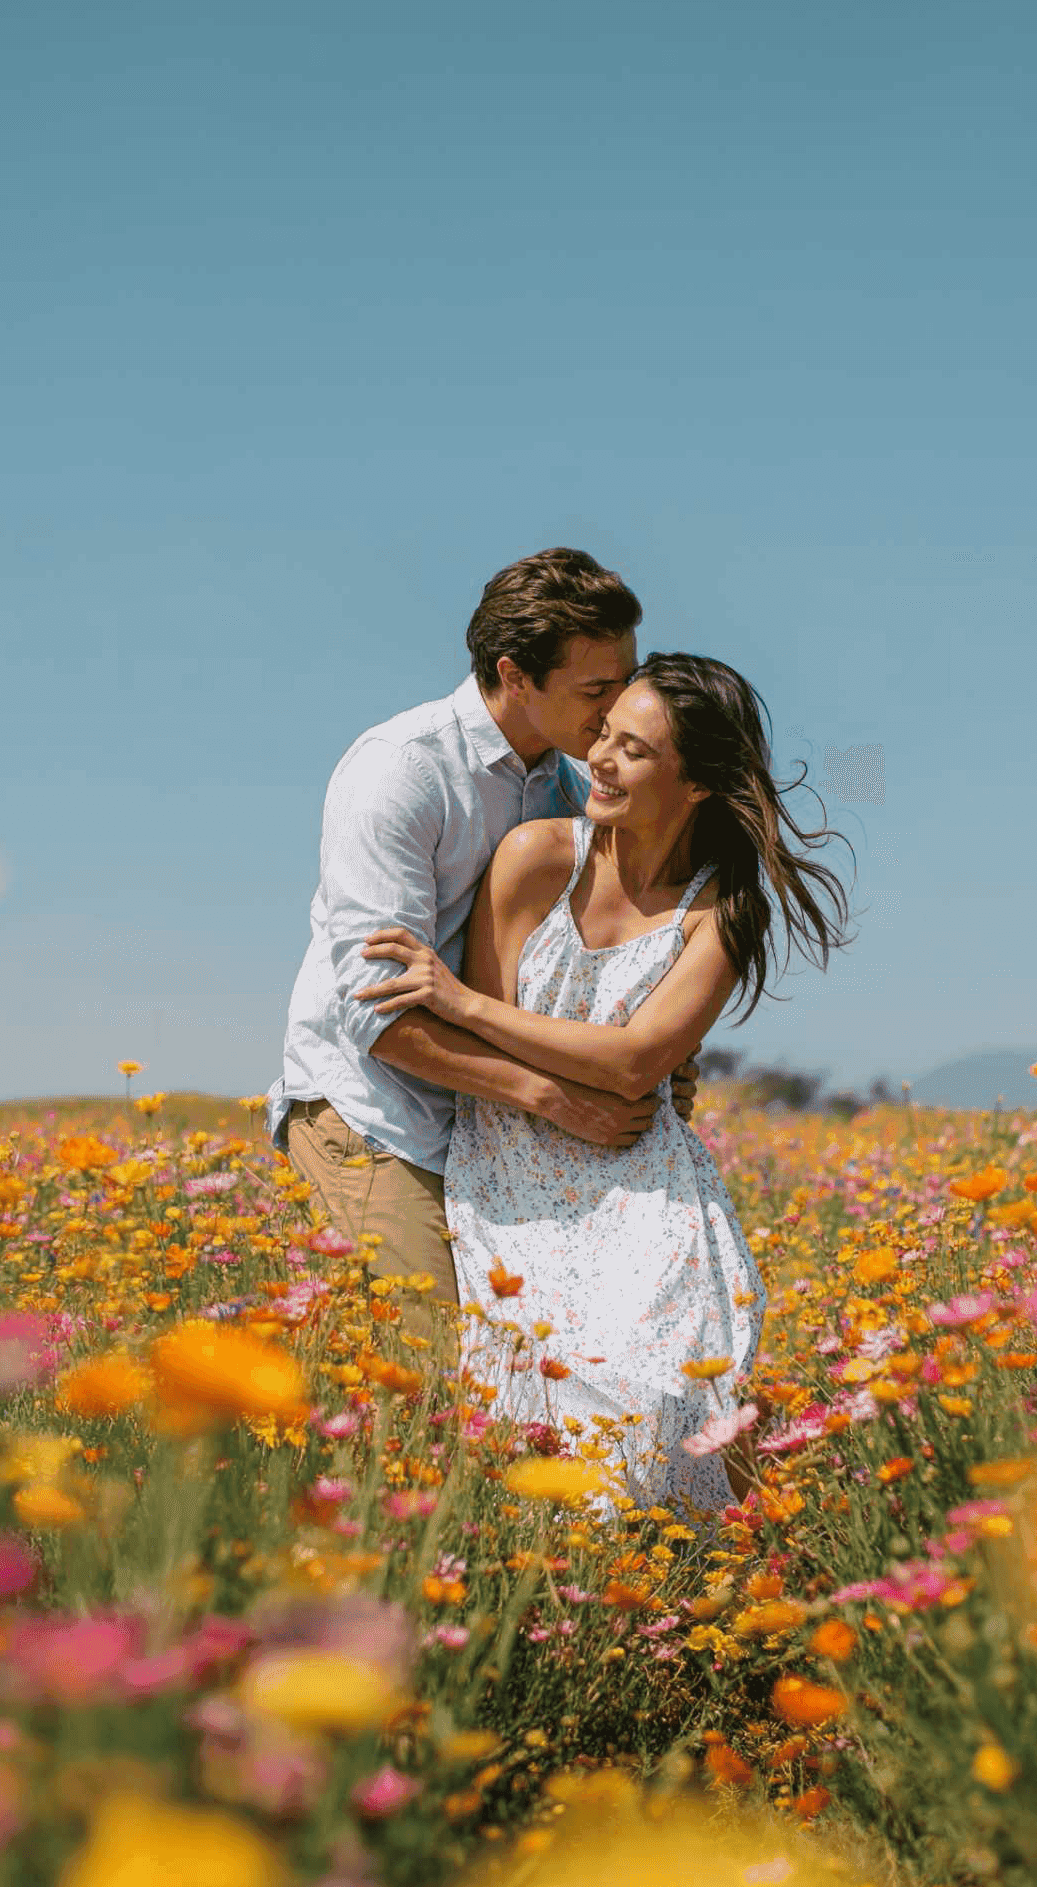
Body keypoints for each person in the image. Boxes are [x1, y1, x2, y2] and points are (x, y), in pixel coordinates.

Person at [358, 654, 850, 1510]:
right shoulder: (535, 857)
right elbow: (500, 1059)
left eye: (635, 750)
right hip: (512, 1168)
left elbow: (635, 1063)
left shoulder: (724, 910)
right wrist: (554, 1073)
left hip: (642, 1175)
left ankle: (717, 1575)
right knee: (550, 1407)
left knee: (675, 1390)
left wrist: (464, 1002)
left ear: (697, 784)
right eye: (605, 737)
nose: (602, 761)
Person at [270, 547, 651, 1364]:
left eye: (626, 681)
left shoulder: (571, 785)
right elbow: (377, 1017)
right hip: (379, 1118)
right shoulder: (401, 771)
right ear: (515, 676)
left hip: (497, 1130)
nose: (618, 709)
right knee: (433, 1387)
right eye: (595, 690)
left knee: (535, 1378)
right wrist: (554, 1098)